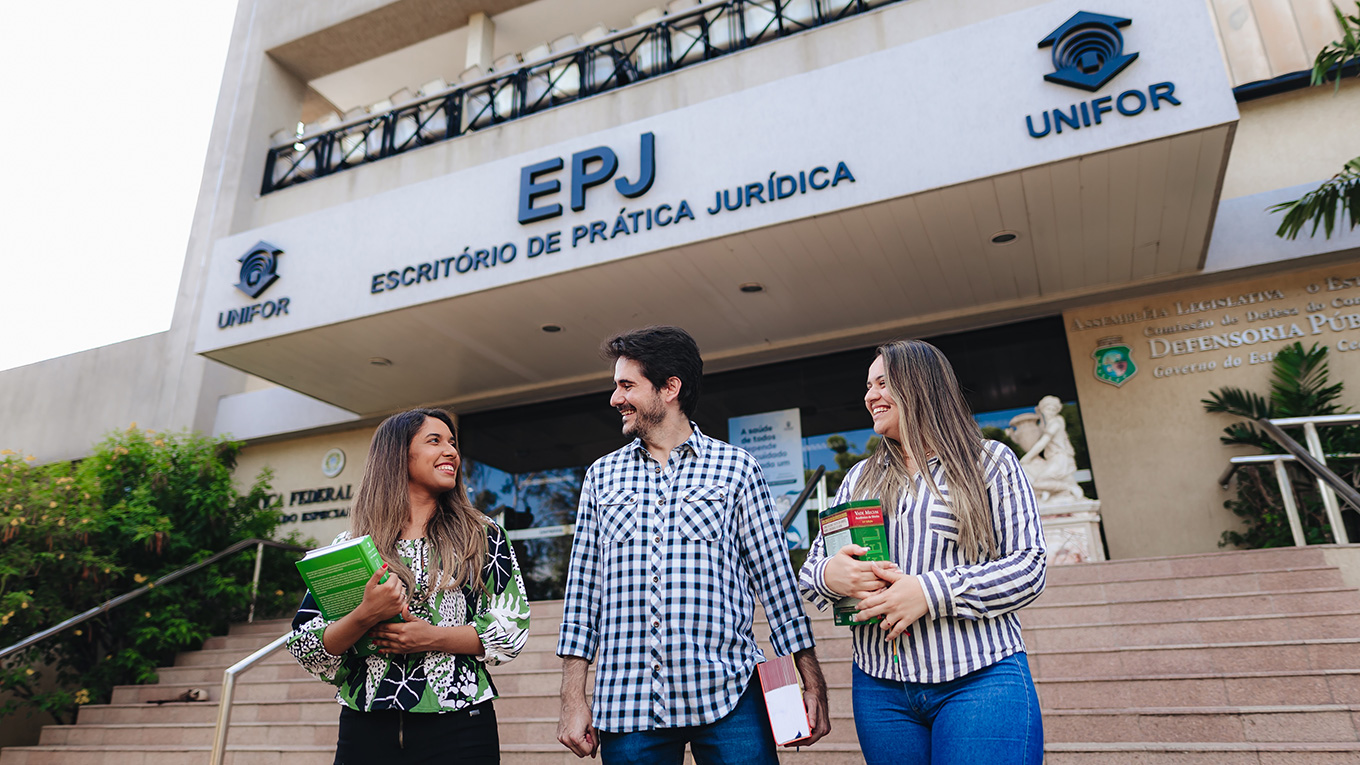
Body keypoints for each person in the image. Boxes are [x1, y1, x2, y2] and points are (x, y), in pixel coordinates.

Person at [556, 325, 829, 765]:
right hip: (628, 704)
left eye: (627, 385)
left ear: (670, 388)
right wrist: (572, 698)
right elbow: (583, 595)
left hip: (730, 697)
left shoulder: (737, 469)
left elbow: (777, 585)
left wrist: (811, 681)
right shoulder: (600, 477)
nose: (615, 398)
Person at [799, 340, 1047, 765]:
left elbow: (1029, 566)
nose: (869, 395)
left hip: (980, 677)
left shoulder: (990, 461)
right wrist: (831, 576)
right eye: (868, 385)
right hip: (881, 690)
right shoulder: (858, 477)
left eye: (882, 383)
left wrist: (929, 592)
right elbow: (812, 571)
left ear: (920, 386)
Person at [288, 408, 530, 764]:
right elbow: (307, 644)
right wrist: (364, 615)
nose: (451, 452)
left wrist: (430, 637)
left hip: (460, 723)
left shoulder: (482, 535)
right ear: (397, 454)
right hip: (365, 725)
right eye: (435, 441)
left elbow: (512, 628)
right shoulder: (351, 545)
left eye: (453, 443)